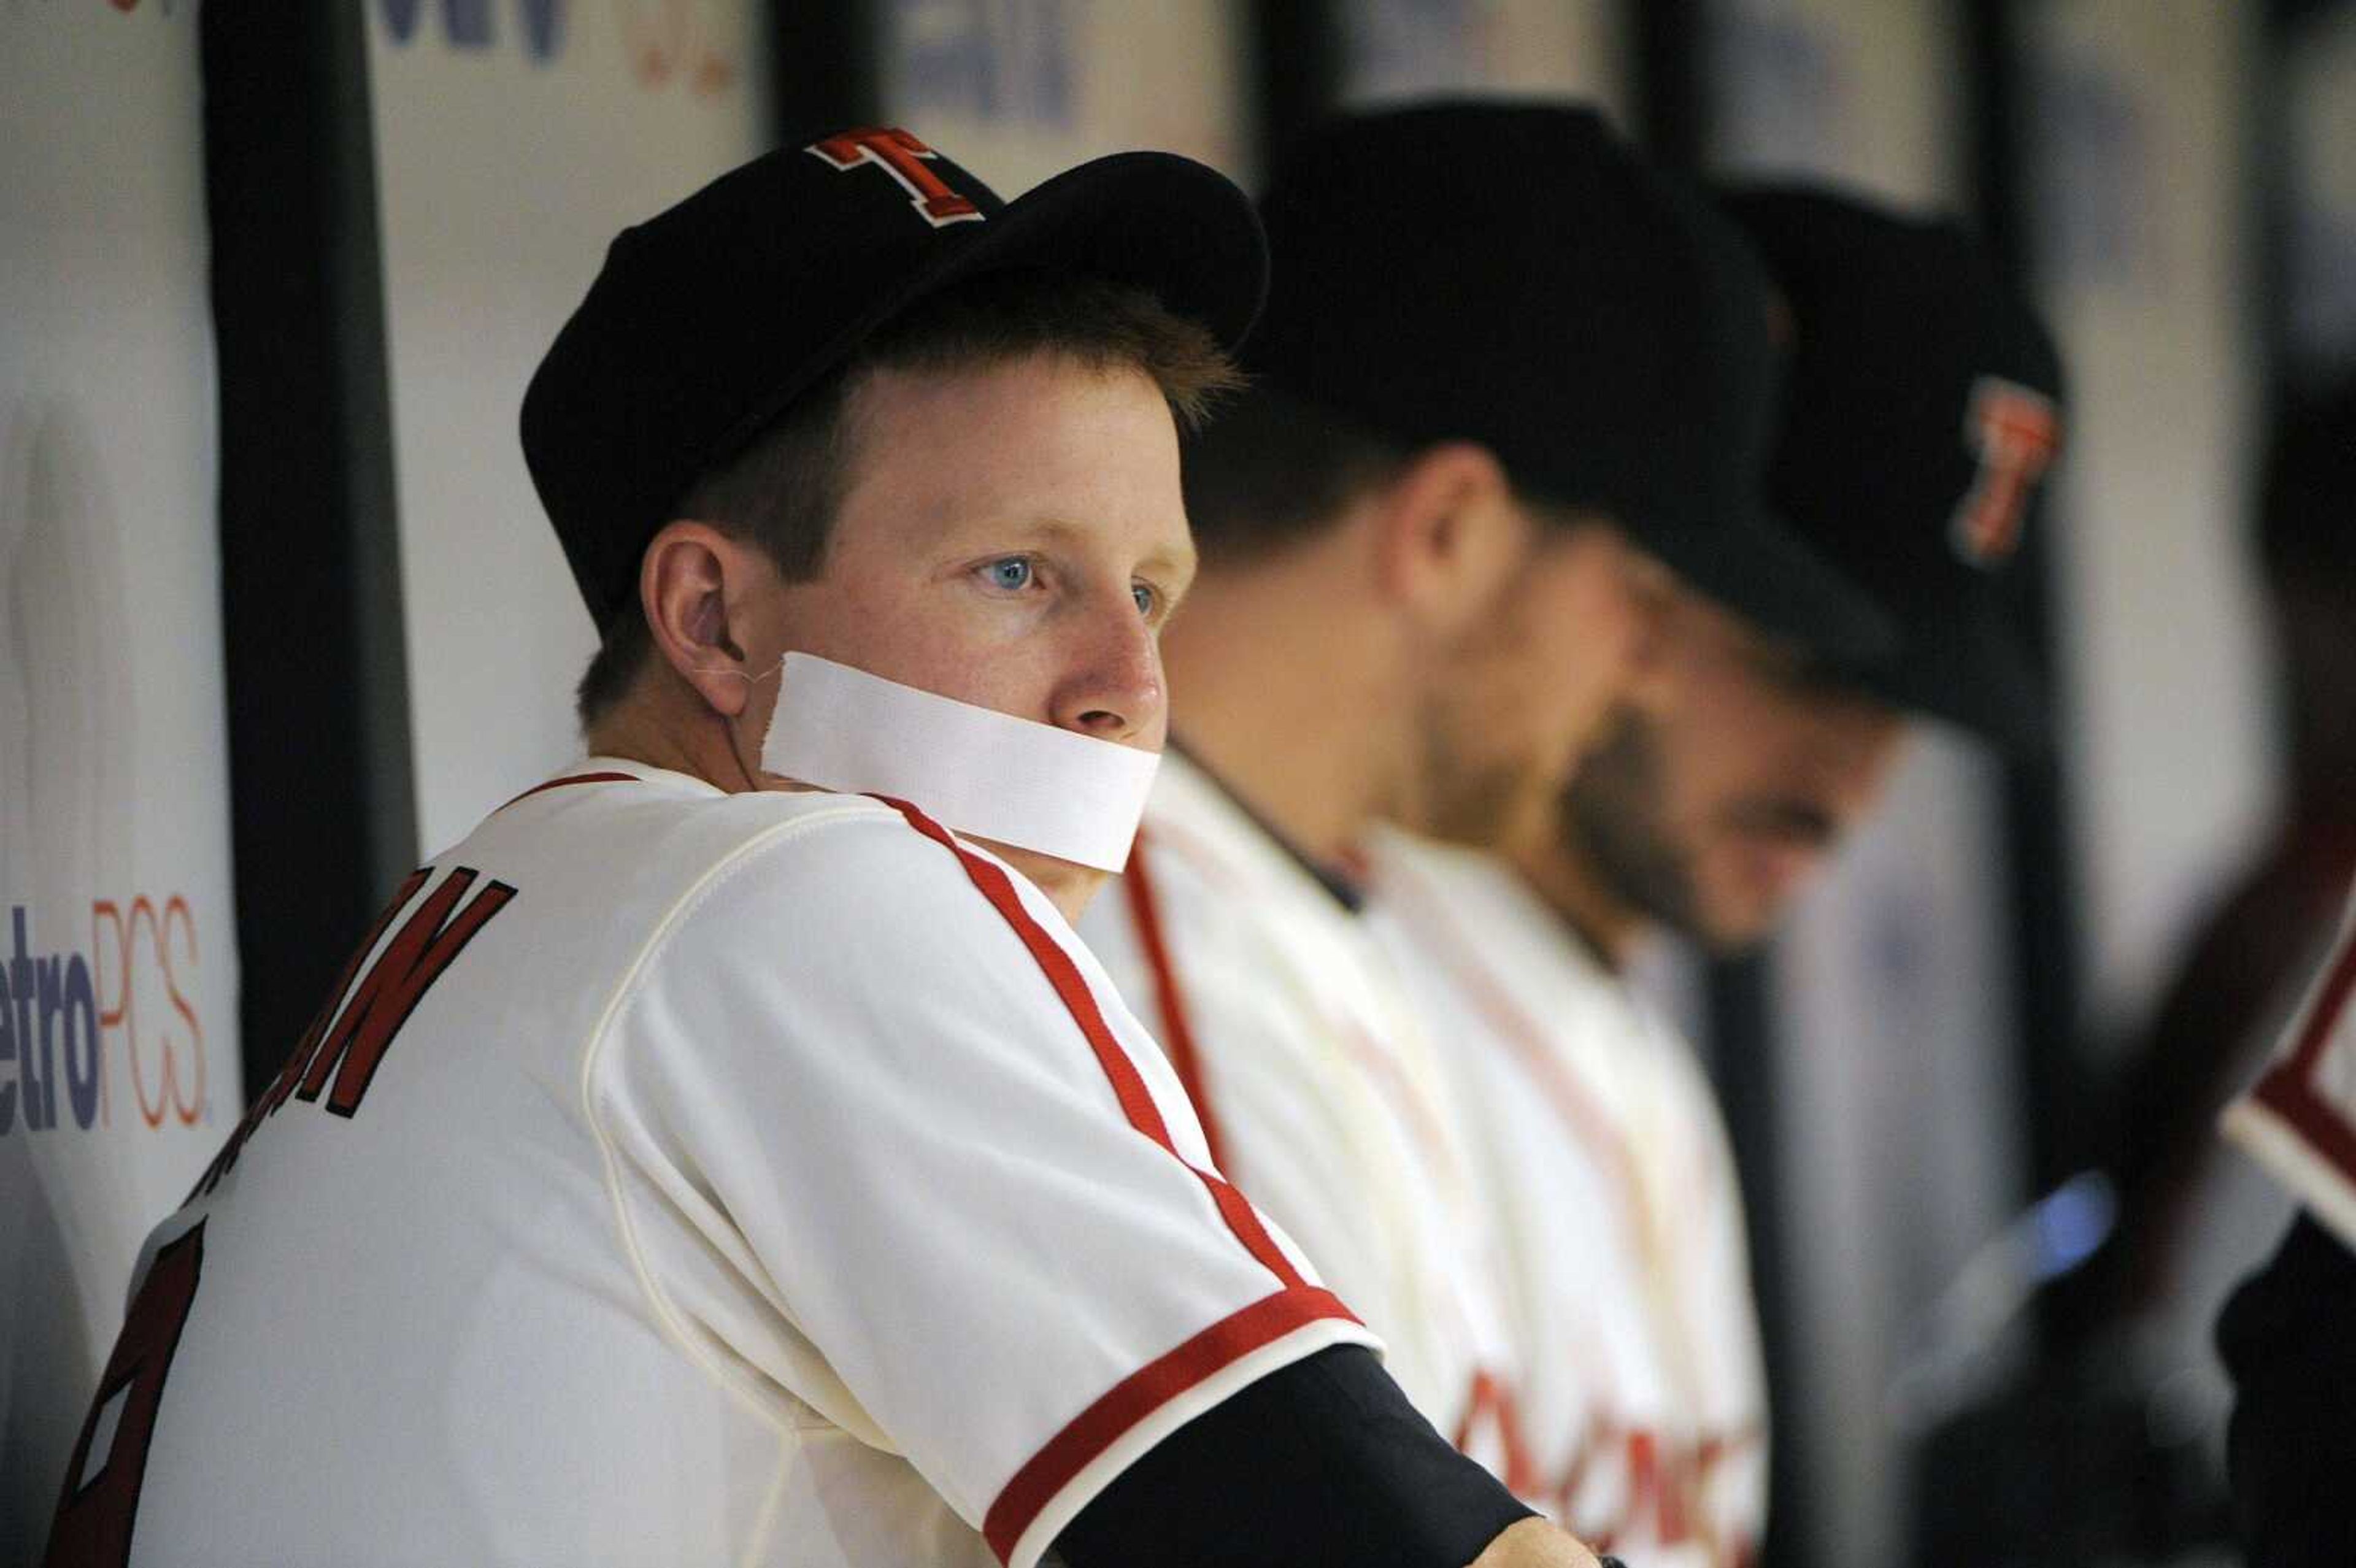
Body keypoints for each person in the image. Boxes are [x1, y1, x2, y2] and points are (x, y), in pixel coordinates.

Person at [40, 128, 1600, 1568]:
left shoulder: (542, 910)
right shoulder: (795, 896)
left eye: (1149, 594)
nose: (1128, 696)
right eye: (1015, 575)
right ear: (714, 620)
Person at [1076, 102, 1891, 1482]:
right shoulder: (1141, 973)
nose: (1645, 675)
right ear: (1447, 531)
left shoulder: (1305, 930)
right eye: (1639, 597)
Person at [1363, 185, 2065, 1563]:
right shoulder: (1331, 985)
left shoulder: (1649, 1076)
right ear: (1639, 566)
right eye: (1809, 665)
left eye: (1906, 712)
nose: (1853, 775)